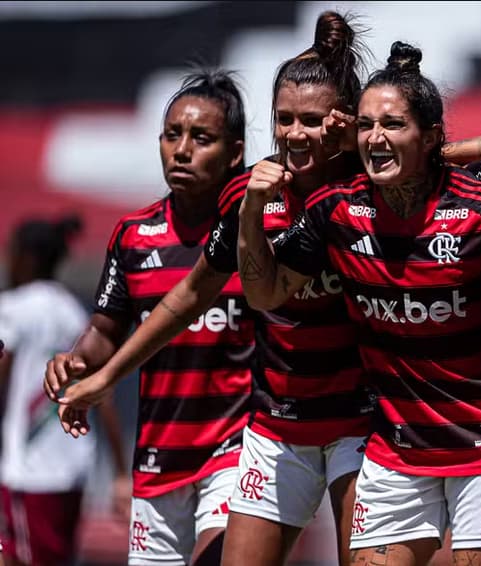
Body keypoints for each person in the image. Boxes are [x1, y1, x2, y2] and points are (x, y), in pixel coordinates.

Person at [47, 12, 374, 566]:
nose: (295, 134)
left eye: (311, 120)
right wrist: (98, 374)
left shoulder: (373, 191)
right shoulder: (246, 198)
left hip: (345, 426)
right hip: (265, 430)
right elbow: (187, 297)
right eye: (285, 119)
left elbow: (445, 158)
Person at [237, 41, 481, 566]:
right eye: (365, 126)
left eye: (392, 126)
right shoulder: (336, 210)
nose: (376, 139)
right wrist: (251, 209)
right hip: (395, 452)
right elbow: (264, 292)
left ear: (430, 137)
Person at [44, 70, 252, 566]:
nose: (182, 150)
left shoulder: (256, 231)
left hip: (238, 447)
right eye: (172, 135)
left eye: (201, 138)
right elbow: (105, 331)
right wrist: (75, 362)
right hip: (159, 454)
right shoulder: (134, 236)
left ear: (235, 152)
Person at [0, 215, 125, 565]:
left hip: (27, 470)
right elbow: (105, 395)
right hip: (72, 468)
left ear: (27, 257)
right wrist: (118, 470)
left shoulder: (13, 309)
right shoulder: (74, 313)